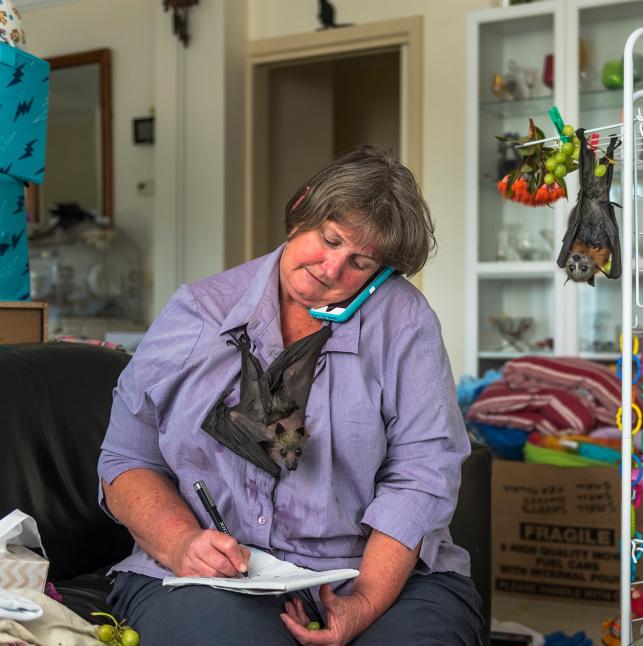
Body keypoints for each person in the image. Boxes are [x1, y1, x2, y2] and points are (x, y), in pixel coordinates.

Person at [97, 146, 483, 645]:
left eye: (360, 262)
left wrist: (364, 601)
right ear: (303, 206)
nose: (332, 268)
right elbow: (127, 458)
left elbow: (423, 473)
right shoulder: (197, 312)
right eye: (330, 239)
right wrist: (181, 543)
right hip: (214, 574)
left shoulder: (404, 322)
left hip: (370, 573)